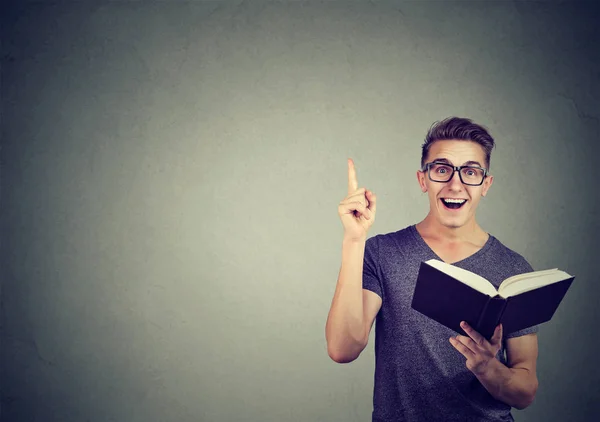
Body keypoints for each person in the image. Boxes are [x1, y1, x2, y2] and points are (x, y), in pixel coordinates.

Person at [325, 117, 539, 421]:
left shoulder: (514, 269)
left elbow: (526, 391)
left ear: (486, 184)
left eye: (470, 172)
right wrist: (354, 239)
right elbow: (342, 348)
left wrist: (488, 368)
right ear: (422, 179)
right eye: (442, 169)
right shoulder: (381, 253)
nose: (456, 184)